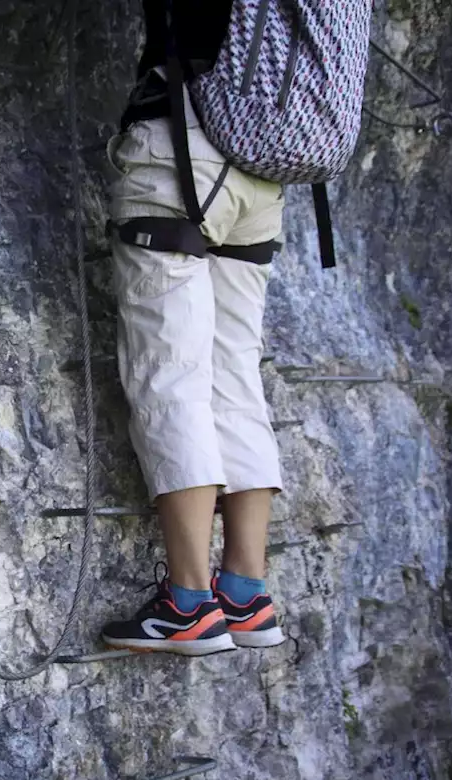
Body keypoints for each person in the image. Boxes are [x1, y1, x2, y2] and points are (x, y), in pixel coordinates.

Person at [99, 0, 287, 655]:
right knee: (234, 371)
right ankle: (245, 590)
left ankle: (188, 603)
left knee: (170, 371)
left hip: (186, 140)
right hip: (267, 164)